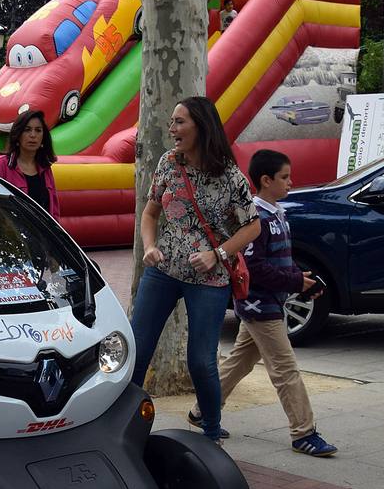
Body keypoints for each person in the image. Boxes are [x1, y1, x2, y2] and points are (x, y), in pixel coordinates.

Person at [189, 150, 338, 457]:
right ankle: (303, 433)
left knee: (241, 360)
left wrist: (300, 279)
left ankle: (203, 411)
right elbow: (255, 269)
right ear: (265, 180)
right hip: (260, 307)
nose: (290, 183)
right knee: (285, 370)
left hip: (270, 303)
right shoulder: (255, 218)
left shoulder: (276, 214)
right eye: (284, 177)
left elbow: (280, 261)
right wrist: (296, 282)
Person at [130, 96, 261, 443]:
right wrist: (150, 246)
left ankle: (212, 431)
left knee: (201, 361)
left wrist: (218, 254)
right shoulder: (168, 164)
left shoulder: (230, 176)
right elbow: (150, 213)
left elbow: (252, 227)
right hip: (163, 272)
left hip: (210, 279)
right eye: (172, 122)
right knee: (136, 350)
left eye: (179, 122)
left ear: (201, 125)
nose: (171, 129)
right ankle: (124, 426)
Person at [0, 110, 60, 219]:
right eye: (27, 130)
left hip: (41, 235)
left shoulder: (45, 168)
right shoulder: (1, 165)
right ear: (18, 134)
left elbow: (54, 211)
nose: (33, 135)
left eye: (38, 130)